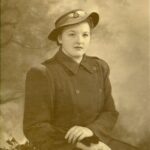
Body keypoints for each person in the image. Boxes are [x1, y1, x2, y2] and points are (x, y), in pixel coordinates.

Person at [23, 9, 137, 150]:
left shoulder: (99, 67)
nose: (80, 41)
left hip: (99, 140)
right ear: (60, 38)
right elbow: (35, 127)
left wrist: (90, 130)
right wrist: (80, 144)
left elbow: (110, 112)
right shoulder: (43, 73)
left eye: (85, 35)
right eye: (72, 34)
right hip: (63, 145)